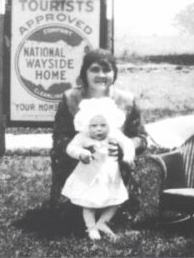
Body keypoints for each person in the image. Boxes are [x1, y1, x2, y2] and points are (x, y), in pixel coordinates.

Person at [49, 48, 148, 214]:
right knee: (69, 219)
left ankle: (117, 207)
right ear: (84, 73)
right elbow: (59, 137)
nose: (101, 75)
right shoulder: (71, 98)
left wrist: (126, 147)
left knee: (119, 216)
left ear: (114, 73)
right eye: (94, 69)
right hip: (79, 167)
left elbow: (141, 138)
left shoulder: (126, 100)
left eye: (107, 70)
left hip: (114, 169)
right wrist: (81, 149)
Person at [62, 97, 135, 240]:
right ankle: (91, 228)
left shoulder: (114, 134)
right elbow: (70, 148)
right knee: (88, 203)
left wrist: (127, 156)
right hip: (89, 175)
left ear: (110, 124)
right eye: (94, 126)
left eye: (103, 125)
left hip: (110, 175)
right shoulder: (82, 136)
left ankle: (102, 223)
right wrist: (81, 153)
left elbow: (127, 144)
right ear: (86, 126)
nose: (99, 129)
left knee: (116, 201)